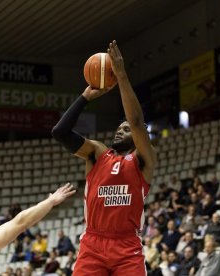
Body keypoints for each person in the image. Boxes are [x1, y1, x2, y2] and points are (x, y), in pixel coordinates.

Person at [51, 40, 157, 276]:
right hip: (93, 244)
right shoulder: (97, 153)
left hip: (127, 247)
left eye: (126, 129)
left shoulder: (144, 159)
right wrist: (85, 97)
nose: (121, 130)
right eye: (119, 127)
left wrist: (121, 77)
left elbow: (137, 122)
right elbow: (59, 132)